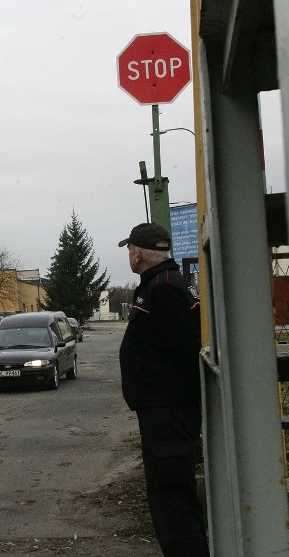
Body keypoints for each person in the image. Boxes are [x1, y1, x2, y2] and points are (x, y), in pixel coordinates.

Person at [118, 222, 208, 556]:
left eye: (129, 250)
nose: (130, 255)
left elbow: (184, 350)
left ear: (137, 254)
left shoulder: (165, 288)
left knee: (172, 504)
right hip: (164, 412)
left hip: (168, 415)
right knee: (171, 500)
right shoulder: (162, 283)